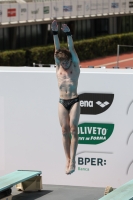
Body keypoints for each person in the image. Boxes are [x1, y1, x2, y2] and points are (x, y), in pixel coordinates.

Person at [51, 20, 80, 175]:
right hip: (62, 101)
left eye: (67, 61)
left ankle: (74, 160)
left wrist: (68, 33)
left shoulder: (75, 66)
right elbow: (57, 49)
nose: (66, 64)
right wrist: (54, 32)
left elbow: (71, 48)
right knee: (64, 130)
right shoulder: (59, 67)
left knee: (74, 129)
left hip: (74, 100)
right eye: (63, 62)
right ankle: (67, 160)